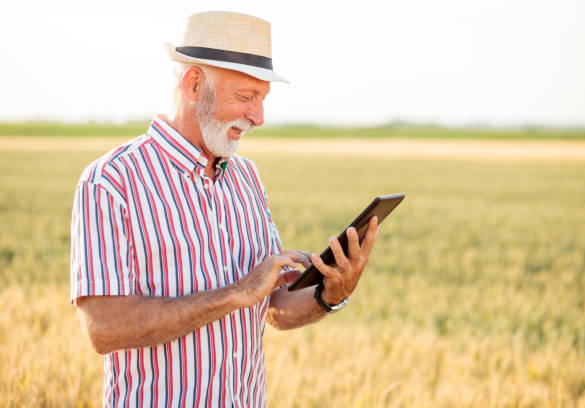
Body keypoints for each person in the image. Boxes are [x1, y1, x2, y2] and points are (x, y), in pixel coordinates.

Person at [70, 11, 378, 407]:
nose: (259, 117)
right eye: (246, 97)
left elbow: (271, 307)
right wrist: (235, 293)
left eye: (262, 99)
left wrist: (330, 294)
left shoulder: (246, 177)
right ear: (194, 84)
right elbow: (104, 329)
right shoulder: (111, 182)